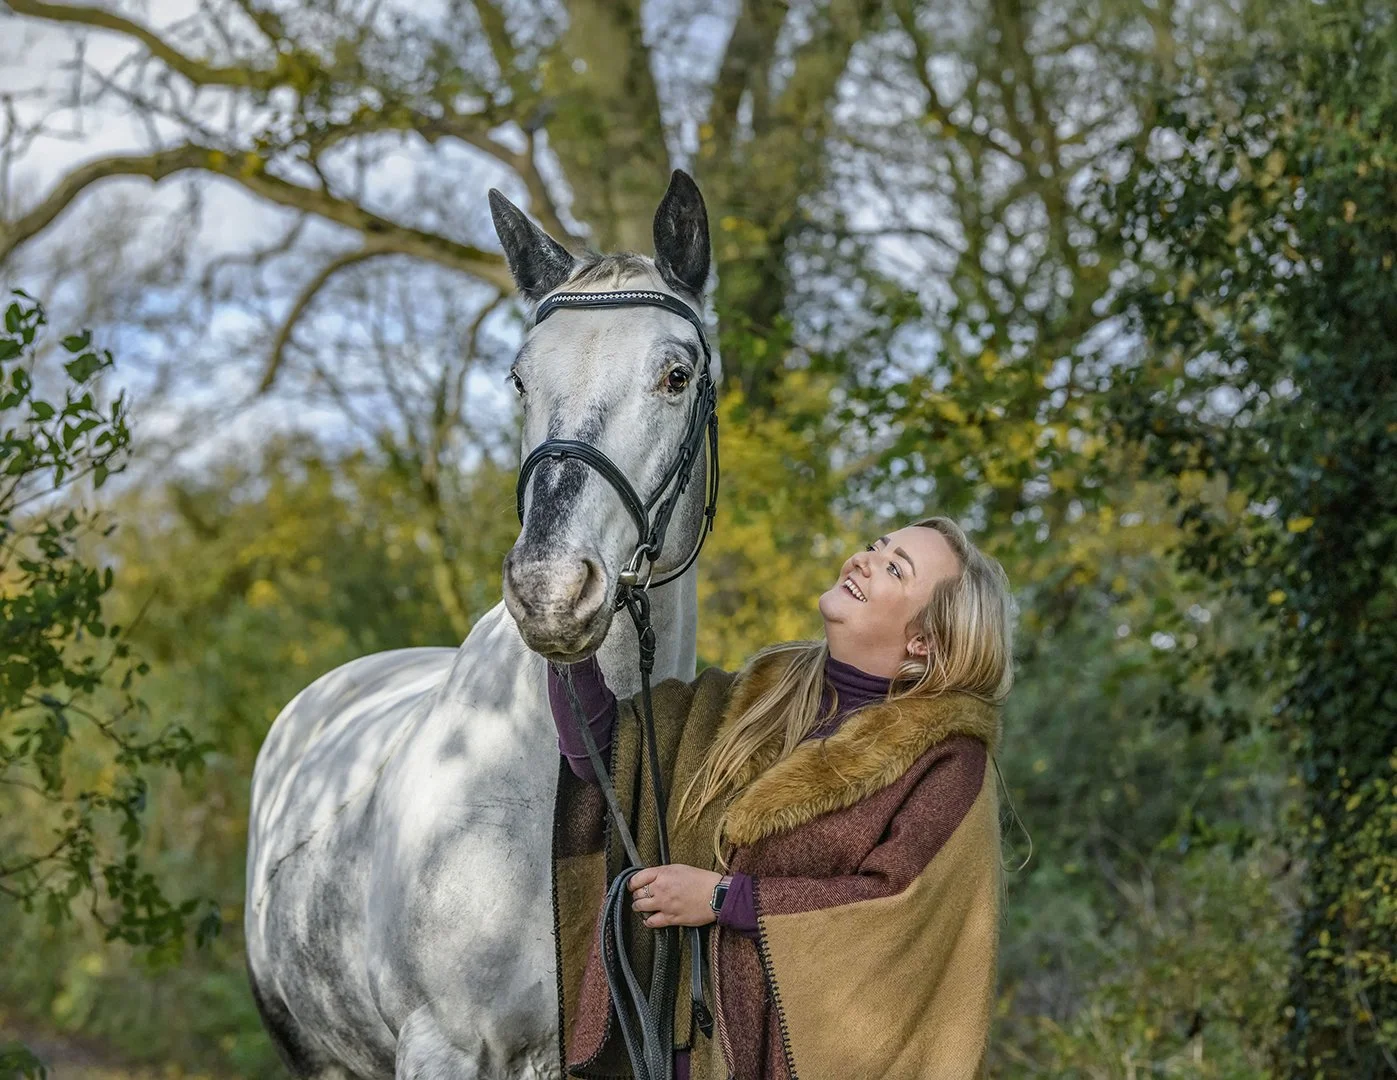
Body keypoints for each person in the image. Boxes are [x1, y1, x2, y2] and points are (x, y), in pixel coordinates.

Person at [544, 516, 1013, 1080]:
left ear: (924, 641)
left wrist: (724, 900)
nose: (864, 558)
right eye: (875, 546)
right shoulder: (751, 698)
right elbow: (600, 754)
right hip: (672, 1054)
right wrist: (563, 637)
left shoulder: (948, 762)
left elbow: (896, 915)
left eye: (895, 567)